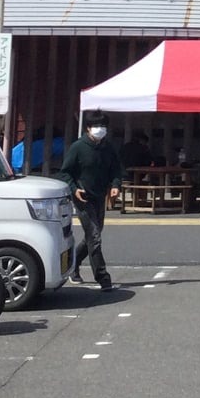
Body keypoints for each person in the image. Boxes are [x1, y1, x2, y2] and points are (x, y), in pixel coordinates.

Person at [58, 116, 124, 288]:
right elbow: (65, 172)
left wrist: (115, 185)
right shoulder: (78, 147)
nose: (100, 129)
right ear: (88, 128)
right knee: (94, 235)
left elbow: (116, 169)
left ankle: (73, 263)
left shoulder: (108, 148)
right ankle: (103, 277)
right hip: (83, 197)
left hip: (99, 196)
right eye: (96, 125)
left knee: (93, 235)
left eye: (103, 126)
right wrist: (74, 189)